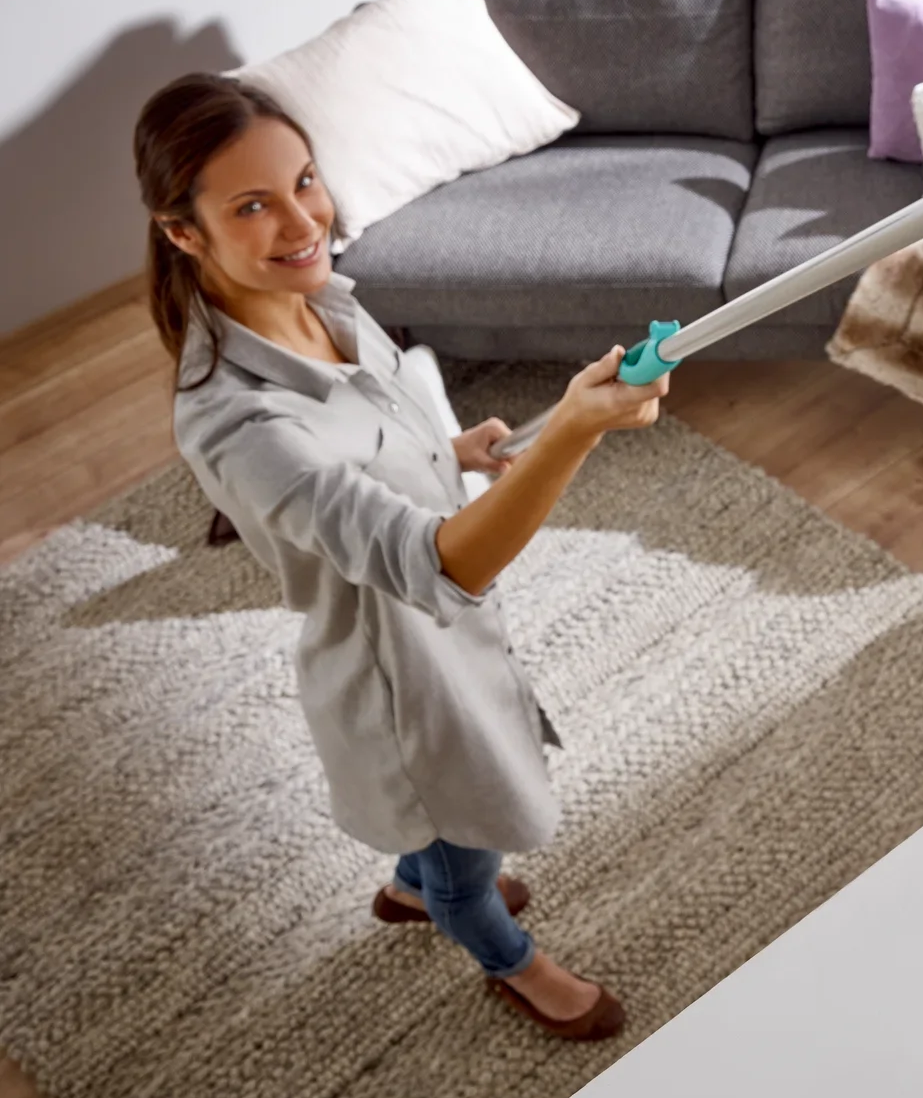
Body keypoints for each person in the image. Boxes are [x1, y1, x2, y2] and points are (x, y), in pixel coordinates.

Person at [136, 74, 665, 1042]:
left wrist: (450, 451)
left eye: (303, 181)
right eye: (252, 204)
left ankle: (413, 884)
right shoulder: (237, 422)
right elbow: (439, 566)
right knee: (469, 842)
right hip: (402, 677)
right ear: (183, 232)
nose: (303, 221)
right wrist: (573, 433)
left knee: (450, 833)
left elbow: (375, 433)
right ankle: (509, 956)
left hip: (443, 642)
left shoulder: (323, 300)